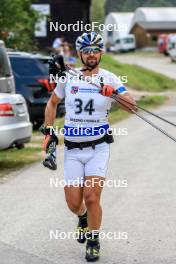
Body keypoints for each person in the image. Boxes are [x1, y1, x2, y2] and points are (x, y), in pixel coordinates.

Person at [42, 32, 137, 262]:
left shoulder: (110, 78)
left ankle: (94, 239)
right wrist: (49, 131)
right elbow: (52, 103)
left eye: (96, 50)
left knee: (92, 197)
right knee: (74, 203)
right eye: (87, 50)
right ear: (80, 53)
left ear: (101, 52)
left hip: (98, 148)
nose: (92, 54)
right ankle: (82, 217)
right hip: (73, 150)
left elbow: (133, 107)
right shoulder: (69, 78)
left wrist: (114, 93)